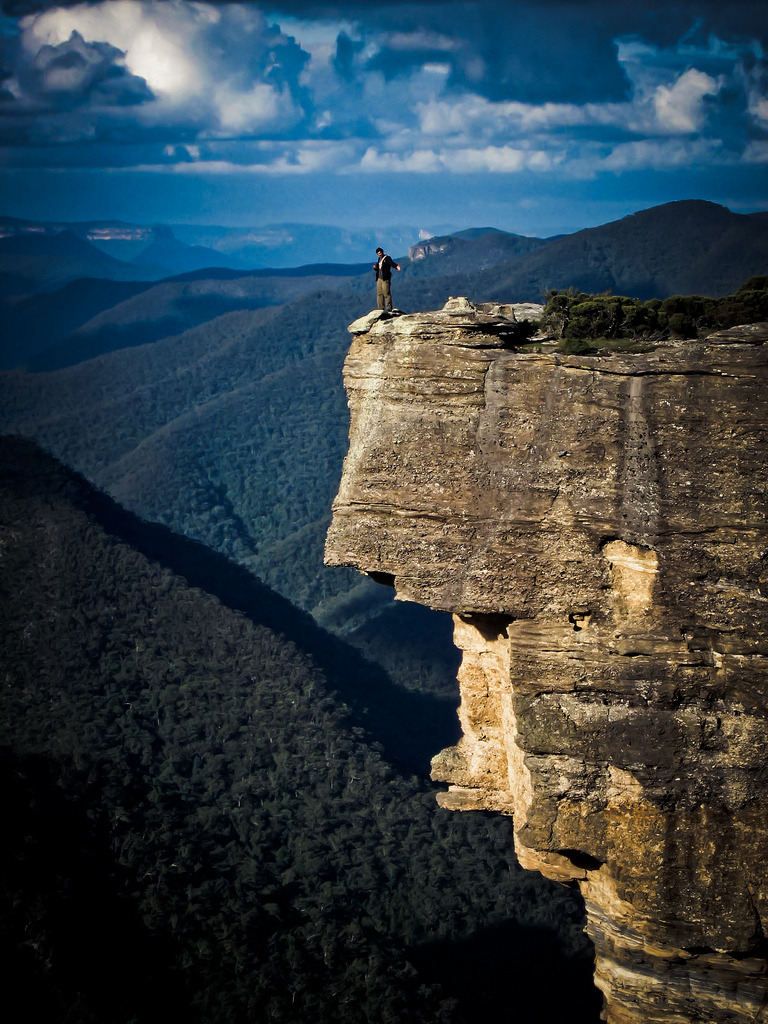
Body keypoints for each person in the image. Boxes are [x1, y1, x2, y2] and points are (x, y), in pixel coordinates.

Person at [373, 247, 401, 311]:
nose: (379, 254)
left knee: (386, 293)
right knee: (379, 294)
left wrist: (396, 266)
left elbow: (391, 263)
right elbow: (378, 269)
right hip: (379, 279)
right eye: (378, 253)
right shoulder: (379, 259)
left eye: (380, 253)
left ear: (382, 252)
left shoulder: (387, 258)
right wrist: (375, 268)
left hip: (385, 279)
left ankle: (389, 308)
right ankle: (380, 308)